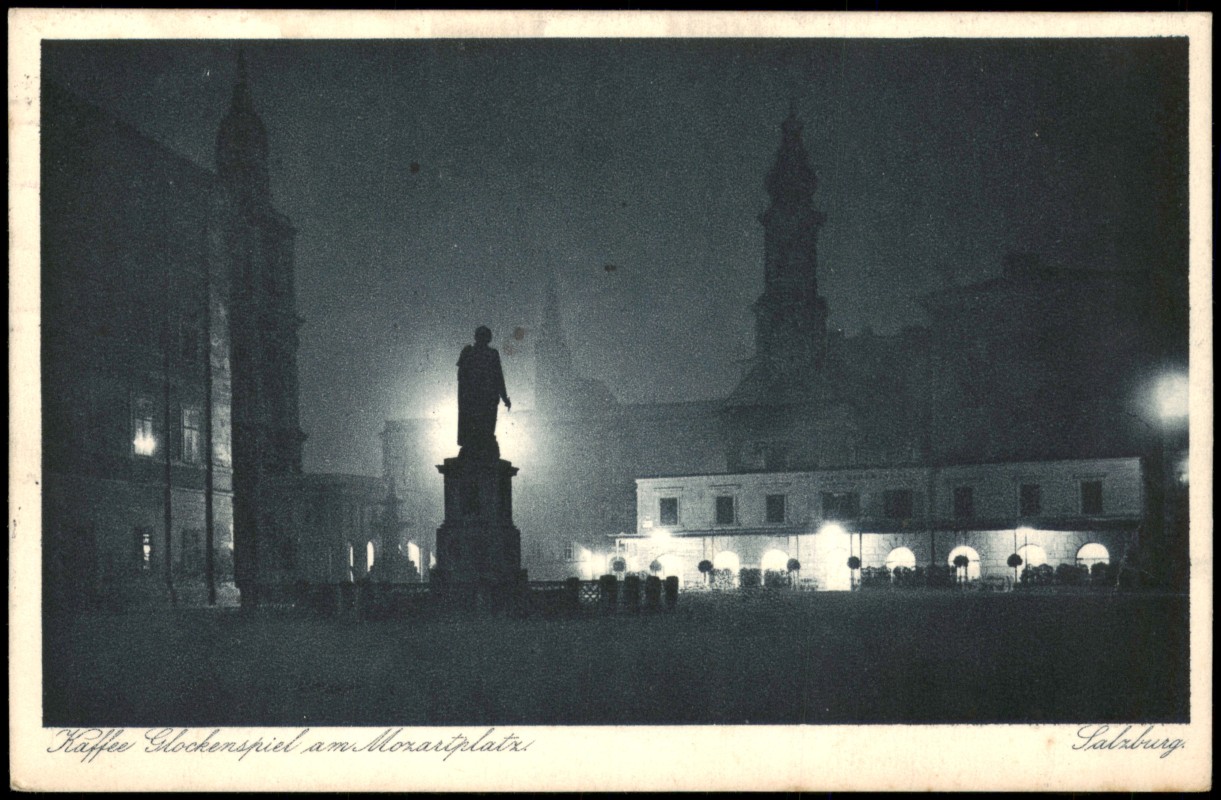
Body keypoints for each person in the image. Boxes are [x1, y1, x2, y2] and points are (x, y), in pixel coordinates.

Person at [457, 326, 511, 458]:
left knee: (482, 426)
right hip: (482, 397)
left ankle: (477, 446)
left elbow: (498, 377)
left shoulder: (471, 352)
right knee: (483, 426)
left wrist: (504, 397)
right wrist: (504, 397)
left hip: (480, 398)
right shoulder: (484, 353)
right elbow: (498, 377)